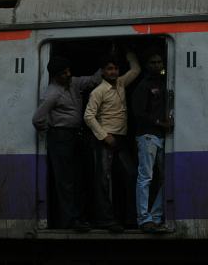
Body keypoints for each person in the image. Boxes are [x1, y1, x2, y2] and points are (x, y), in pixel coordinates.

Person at [31, 56, 102, 231]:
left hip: (75, 135)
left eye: (69, 71)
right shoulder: (52, 93)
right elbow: (38, 118)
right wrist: (52, 129)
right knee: (65, 181)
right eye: (64, 73)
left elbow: (94, 80)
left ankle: (80, 217)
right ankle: (70, 220)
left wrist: (107, 60)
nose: (69, 74)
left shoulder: (74, 83)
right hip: (61, 137)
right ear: (55, 76)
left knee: (78, 178)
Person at [84, 50, 140, 232]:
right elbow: (88, 116)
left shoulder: (121, 83)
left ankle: (130, 219)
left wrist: (129, 52)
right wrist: (104, 135)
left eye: (115, 68)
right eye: (109, 69)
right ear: (102, 71)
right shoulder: (98, 91)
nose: (113, 72)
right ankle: (105, 221)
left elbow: (136, 70)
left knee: (130, 175)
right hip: (105, 139)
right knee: (104, 181)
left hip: (120, 139)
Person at [130, 52, 173, 233]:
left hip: (161, 136)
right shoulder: (143, 85)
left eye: (159, 62)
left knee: (167, 177)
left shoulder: (164, 83)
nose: (157, 65)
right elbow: (138, 112)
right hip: (147, 135)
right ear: (147, 65)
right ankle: (143, 218)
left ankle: (155, 216)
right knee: (145, 177)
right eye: (153, 62)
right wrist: (159, 123)